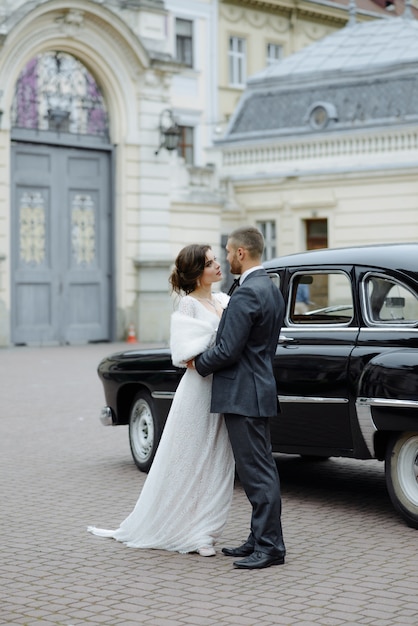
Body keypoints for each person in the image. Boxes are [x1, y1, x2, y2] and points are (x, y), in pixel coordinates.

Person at [88, 244, 235, 557]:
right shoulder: (188, 308)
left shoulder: (224, 300)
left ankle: (205, 527)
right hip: (198, 393)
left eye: (215, 260)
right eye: (209, 263)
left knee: (217, 461)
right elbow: (188, 357)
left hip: (224, 390)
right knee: (191, 460)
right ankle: (191, 533)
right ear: (197, 274)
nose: (217, 265)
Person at [190, 226, 286, 569]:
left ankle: (270, 546)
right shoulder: (269, 288)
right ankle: (258, 537)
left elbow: (228, 349)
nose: (226, 257)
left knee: (257, 472)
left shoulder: (248, 293)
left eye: (229, 252)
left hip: (244, 392)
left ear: (241, 253)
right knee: (258, 469)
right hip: (257, 387)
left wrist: (196, 364)